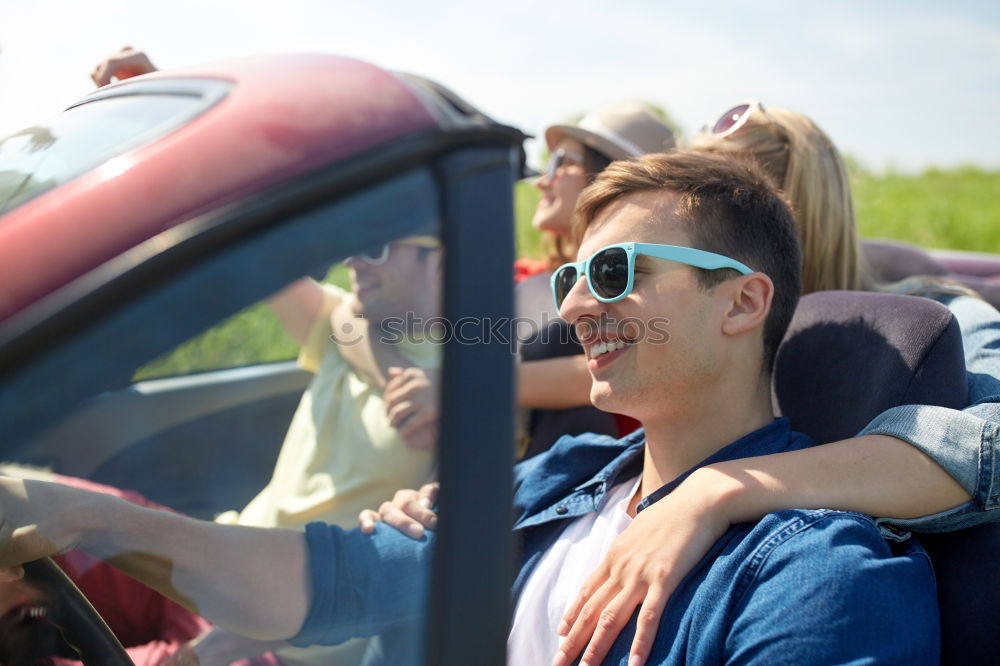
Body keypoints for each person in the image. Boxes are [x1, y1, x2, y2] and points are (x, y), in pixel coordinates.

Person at [0, 151, 940, 665]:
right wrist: (95, 517)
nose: (572, 305)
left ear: (741, 302)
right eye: (571, 275)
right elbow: (325, 583)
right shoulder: (555, 485)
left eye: (612, 274)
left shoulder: (818, 578)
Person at [524, 102, 1000, 666]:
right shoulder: (588, 461)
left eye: (731, 182)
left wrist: (718, 489)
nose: (720, 196)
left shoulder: (925, 322)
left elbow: (988, 444)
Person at [2, 234, 443, 665]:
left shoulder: (466, 393)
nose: (352, 261)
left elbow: (425, 538)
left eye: (375, 248)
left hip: (273, 641)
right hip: (208, 553)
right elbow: (258, 247)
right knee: (14, 495)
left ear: (442, 258)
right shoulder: (346, 328)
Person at [516, 102, 677, 457]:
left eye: (563, 163)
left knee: (558, 337)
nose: (543, 180)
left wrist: (461, 388)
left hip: (618, 476)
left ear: (609, 176)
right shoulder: (523, 280)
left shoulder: (659, 287)